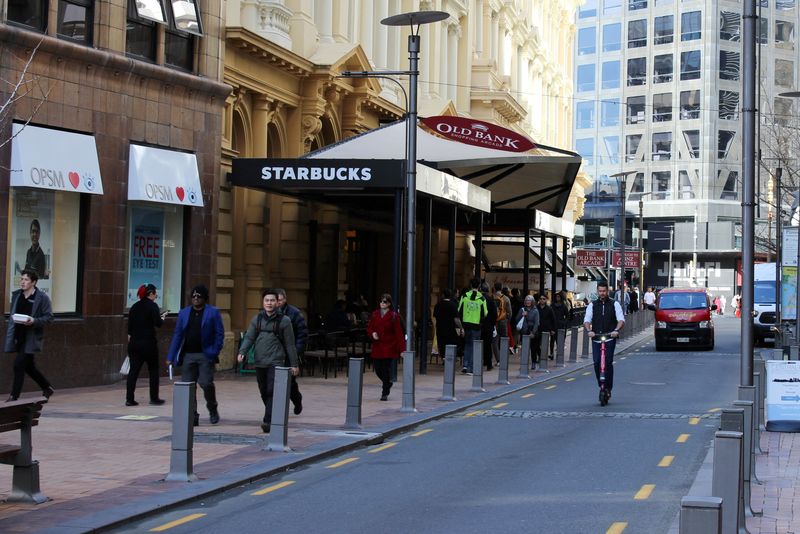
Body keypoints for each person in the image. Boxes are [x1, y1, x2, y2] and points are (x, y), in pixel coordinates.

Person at [238, 288, 299, 433]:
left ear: (277, 303)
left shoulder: (284, 321)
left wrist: (294, 364)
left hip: (276, 361)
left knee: (271, 390)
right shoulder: (257, 319)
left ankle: (268, 420)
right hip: (260, 361)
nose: (269, 303)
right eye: (267, 300)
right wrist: (242, 352)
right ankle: (273, 413)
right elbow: (249, 337)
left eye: (272, 300)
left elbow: (290, 344)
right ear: (263, 302)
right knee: (263, 390)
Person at [167, 285, 225, 426]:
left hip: (205, 354)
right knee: (187, 386)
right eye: (193, 296)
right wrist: (171, 356)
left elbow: (219, 333)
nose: (196, 299)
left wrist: (214, 351)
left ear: (204, 298)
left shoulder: (213, 312)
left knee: (206, 383)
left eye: (198, 296)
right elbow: (178, 335)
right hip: (188, 355)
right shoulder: (184, 313)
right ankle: (192, 415)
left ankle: (212, 408)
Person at [4, 269, 54, 401]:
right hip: (18, 336)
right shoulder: (17, 295)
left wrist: (34, 321)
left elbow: (49, 317)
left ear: (34, 282)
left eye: (26, 280)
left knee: (18, 364)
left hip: (31, 338)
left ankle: (14, 396)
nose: (22, 282)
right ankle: (47, 387)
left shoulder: (42, 298)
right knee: (29, 367)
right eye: (21, 279)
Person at [126, 283, 168, 406]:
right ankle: (154, 398)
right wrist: (163, 316)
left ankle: (129, 399)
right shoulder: (153, 306)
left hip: (134, 343)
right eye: (155, 293)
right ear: (151, 294)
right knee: (153, 370)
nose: (156, 296)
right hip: (148, 344)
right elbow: (158, 323)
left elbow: (129, 328)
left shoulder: (134, 307)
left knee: (133, 371)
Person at [583, 281, 625, 399]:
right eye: (600, 291)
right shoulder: (592, 305)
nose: (602, 293)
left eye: (604, 291)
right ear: (597, 291)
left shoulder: (614, 304)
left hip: (609, 338)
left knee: (608, 363)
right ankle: (601, 385)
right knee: (597, 363)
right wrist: (588, 331)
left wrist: (616, 330)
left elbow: (621, 320)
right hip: (596, 338)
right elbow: (587, 319)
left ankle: (608, 387)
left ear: (607, 291)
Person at [366, 294, 404, 401]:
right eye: (381, 301)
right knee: (378, 370)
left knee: (385, 369)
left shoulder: (394, 316)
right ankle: (388, 383)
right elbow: (369, 328)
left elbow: (399, 334)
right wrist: (372, 333)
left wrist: (402, 350)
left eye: (385, 302)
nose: (382, 303)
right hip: (378, 346)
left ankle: (385, 392)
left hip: (389, 347)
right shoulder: (375, 314)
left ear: (389, 304)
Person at [276, 288, 308, 415]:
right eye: (275, 300)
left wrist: (296, 351)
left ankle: (296, 399)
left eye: (280, 300)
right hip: (274, 354)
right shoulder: (268, 313)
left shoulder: (294, 313)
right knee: (273, 383)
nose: (277, 303)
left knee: (289, 383)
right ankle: (276, 409)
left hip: (289, 353)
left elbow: (302, 334)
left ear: (285, 299)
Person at [457, 278, 487, 374]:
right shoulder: (482, 298)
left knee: (467, 345)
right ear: (479, 286)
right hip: (476, 325)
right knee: (474, 346)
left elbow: (459, 309)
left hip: (466, 325)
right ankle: (471, 368)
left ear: (470, 285)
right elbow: (485, 313)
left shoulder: (464, 296)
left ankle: (465, 365)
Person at [433, 288, 460, 358]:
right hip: (450, 329)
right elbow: (456, 319)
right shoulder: (453, 305)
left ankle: (444, 358)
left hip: (440, 329)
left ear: (443, 295)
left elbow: (435, 317)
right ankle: (449, 358)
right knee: (450, 344)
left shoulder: (438, 305)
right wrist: (461, 327)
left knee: (442, 345)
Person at [514, 295, 540, 365]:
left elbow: (536, 323)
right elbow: (516, 319)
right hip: (524, 331)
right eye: (526, 300)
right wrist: (522, 315)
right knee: (525, 348)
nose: (528, 302)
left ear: (532, 302)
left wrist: (533, 332)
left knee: (533, 348)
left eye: (529, 300)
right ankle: (524, 363)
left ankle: (533, 362)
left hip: (532, 331)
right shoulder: (522, 309)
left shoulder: (535, 311)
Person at [492, 282, 511, 365]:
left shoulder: (492, 297)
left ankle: (498, 360)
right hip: (503, 321)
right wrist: (507, 320)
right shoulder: (506, 298)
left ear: (494, 288)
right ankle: (504, 359)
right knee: (504, 340)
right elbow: (510, 312)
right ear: (502, 288)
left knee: (495, 341)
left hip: (494, 322)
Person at [481, 282, 498, 370]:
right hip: (488, 326)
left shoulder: (478, 299)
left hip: (479, 325)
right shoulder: (491, 300)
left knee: (479, 344)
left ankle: (481, 361)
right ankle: (489, 364)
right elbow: (495, 314)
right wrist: (493, 324)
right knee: (488, 345)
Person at [535, 293, 556, 361]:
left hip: (546, 329)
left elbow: (553, 319)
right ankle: (540, 355)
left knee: (544, 344)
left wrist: (553, 329)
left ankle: (542, 358)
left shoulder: (549, 309)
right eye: (541, 299)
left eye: (544, 299)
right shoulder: (536, 308)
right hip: (537, 328)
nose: (542, 300)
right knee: (536, 344)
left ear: (546, 300)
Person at [550, 292, 569, 356]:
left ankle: (559, 353)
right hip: (553, 324)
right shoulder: (552, 305)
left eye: (559, 297)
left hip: (560, 325)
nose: (557, 298)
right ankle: (551, 353)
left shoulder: (564, 306)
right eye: (556, 297)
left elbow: (567, 315)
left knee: (559, 340)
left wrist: (564, 322)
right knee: (552, 340)